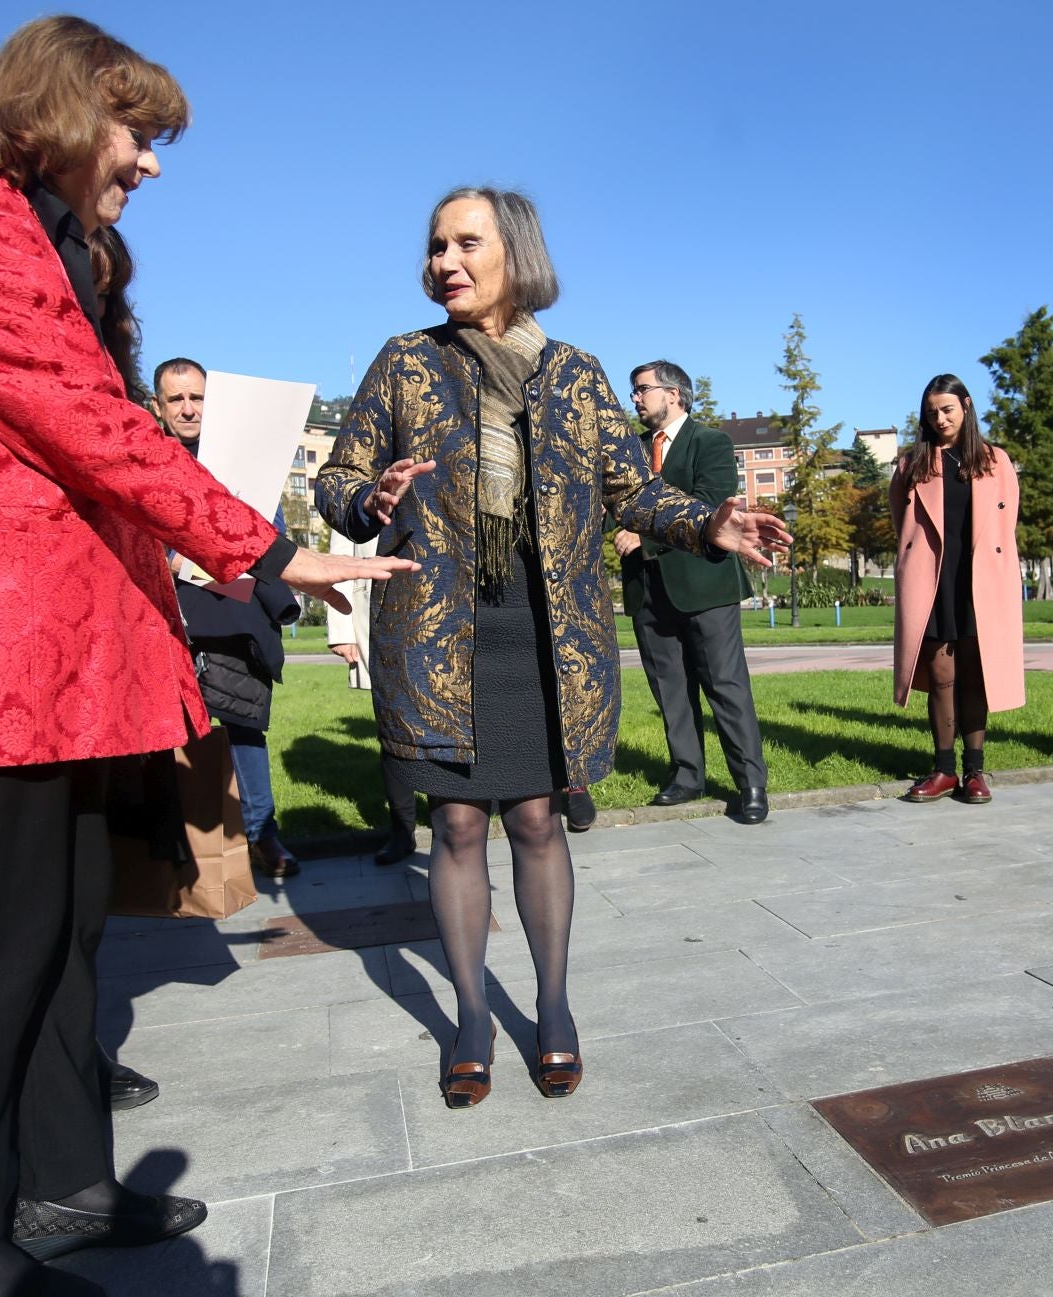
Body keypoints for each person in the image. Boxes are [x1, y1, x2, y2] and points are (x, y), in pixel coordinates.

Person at [0, 19, 413, 1296]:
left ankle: (64, 1182)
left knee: (64, 927)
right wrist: (261, 547)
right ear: (67, 110)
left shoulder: (33, 232)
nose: (150, 165)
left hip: (42, 653)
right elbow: (77, 417)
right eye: (139, 134)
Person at [313, 186, 787, 1110]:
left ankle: (556, 1007)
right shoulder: (405, 363)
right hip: (436, 629)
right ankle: (472, 1017)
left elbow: (631, 493)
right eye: (435, 246)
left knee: (534, 819)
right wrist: (367, 502)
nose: (443, 261)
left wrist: (707, 523)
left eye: (466, 244)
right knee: (455, 825)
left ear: (514, 253)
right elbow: (339, 478)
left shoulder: (573, 372)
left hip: (542, 632)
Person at [152, 356, 304, 878]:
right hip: (170, 613)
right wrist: (171, 557)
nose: (189, 408)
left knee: (243, 725)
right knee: (173, 734)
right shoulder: (145, 462)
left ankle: (263, 835)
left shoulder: (243, 462)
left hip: (232, 614)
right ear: (159, 407)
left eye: (197, 397)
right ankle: (185, 845)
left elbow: (272, 536)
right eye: (178, 399)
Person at [615, 359, 769, 825]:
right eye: (634, 391)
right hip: (647, 590)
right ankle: (687, 775)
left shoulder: (712, 442)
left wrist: (647, 534)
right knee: (671, 690)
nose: (635, 399)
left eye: (642, 389)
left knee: (725, 686)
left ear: (674, 394)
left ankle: (751, 784)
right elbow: (612, 504)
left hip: (705, 586)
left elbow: (711, 504)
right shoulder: (631, 452)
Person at [890, 374, 1024, 804]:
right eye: (932, 412)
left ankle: (975, 770)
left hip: (980, 577)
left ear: (966, 406)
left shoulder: (995, 461)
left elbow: (1008, 522)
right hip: (932, 578)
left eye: (947, 409)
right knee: (942, 673)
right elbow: (901, 522)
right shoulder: (912, 464)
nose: (940, 418)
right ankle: (944, 769)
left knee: (975, 674)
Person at [326, 526, 423, 863]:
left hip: (441, 610)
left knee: (449, 730)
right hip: (378, 614)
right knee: (392, 731)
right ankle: (402, 830)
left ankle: (452, 825)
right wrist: (341, 629)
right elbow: (341, 548)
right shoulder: (365, 473)